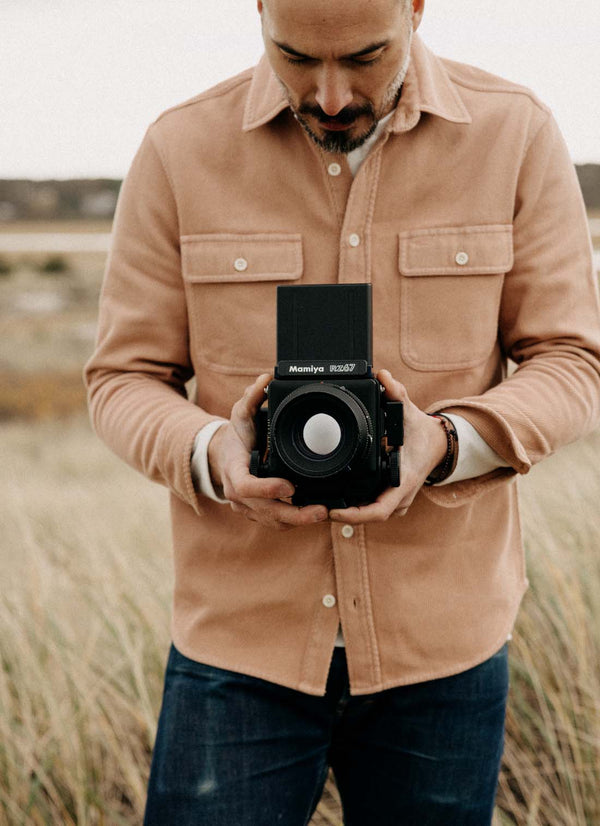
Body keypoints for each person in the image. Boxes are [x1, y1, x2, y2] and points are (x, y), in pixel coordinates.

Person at [84, 0, 600, 823]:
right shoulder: (179, 148)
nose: (329, 97)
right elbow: (123, 377)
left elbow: (572, 362)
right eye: (295, 57)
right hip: (238, 650)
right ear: (258, 9)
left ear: (416, 8)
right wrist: (212, 451)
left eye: (364, 58)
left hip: (445, 651)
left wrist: (447, 444)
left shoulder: (517, 134)